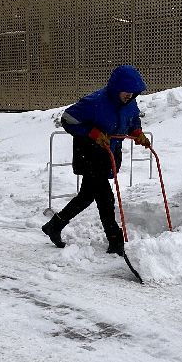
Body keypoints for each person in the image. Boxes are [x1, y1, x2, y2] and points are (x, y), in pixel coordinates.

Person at [43, 64, 152, 255]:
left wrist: (137, 133)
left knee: (86, 196)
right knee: (105, 198)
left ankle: (55, 225)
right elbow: (68, 118)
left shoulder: (130, 103)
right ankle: (115, 240)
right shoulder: (95, 102)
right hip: (90, 154)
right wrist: (92, 132)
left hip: (109, 154)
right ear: (117, 88)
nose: (130, 96)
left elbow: (133, 120)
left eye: (133, 93)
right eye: (126, 92)